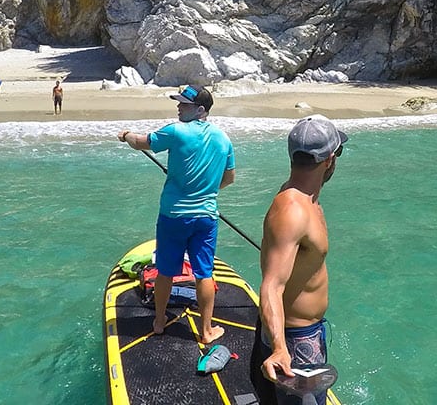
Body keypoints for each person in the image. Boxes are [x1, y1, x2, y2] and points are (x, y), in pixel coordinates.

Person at [118, 84, 235, 344]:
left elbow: (140, 143)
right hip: (206, 217)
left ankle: (159, 321)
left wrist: (125, 134)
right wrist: (204, 189)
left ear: (201, 110)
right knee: (204, 272)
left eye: (185, 104)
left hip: (173, 216)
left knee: (165, 270)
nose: (179, 106)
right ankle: (206, 332)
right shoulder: (223, 139)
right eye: (179, 102)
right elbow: (229, 178)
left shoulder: (175, 131)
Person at [251, 115, 347, 405]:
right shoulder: (293, 209)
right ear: (330, 159)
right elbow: (271, 287)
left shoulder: (305, 198)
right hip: (295, 342)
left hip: (307, 335)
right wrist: (280, 348)